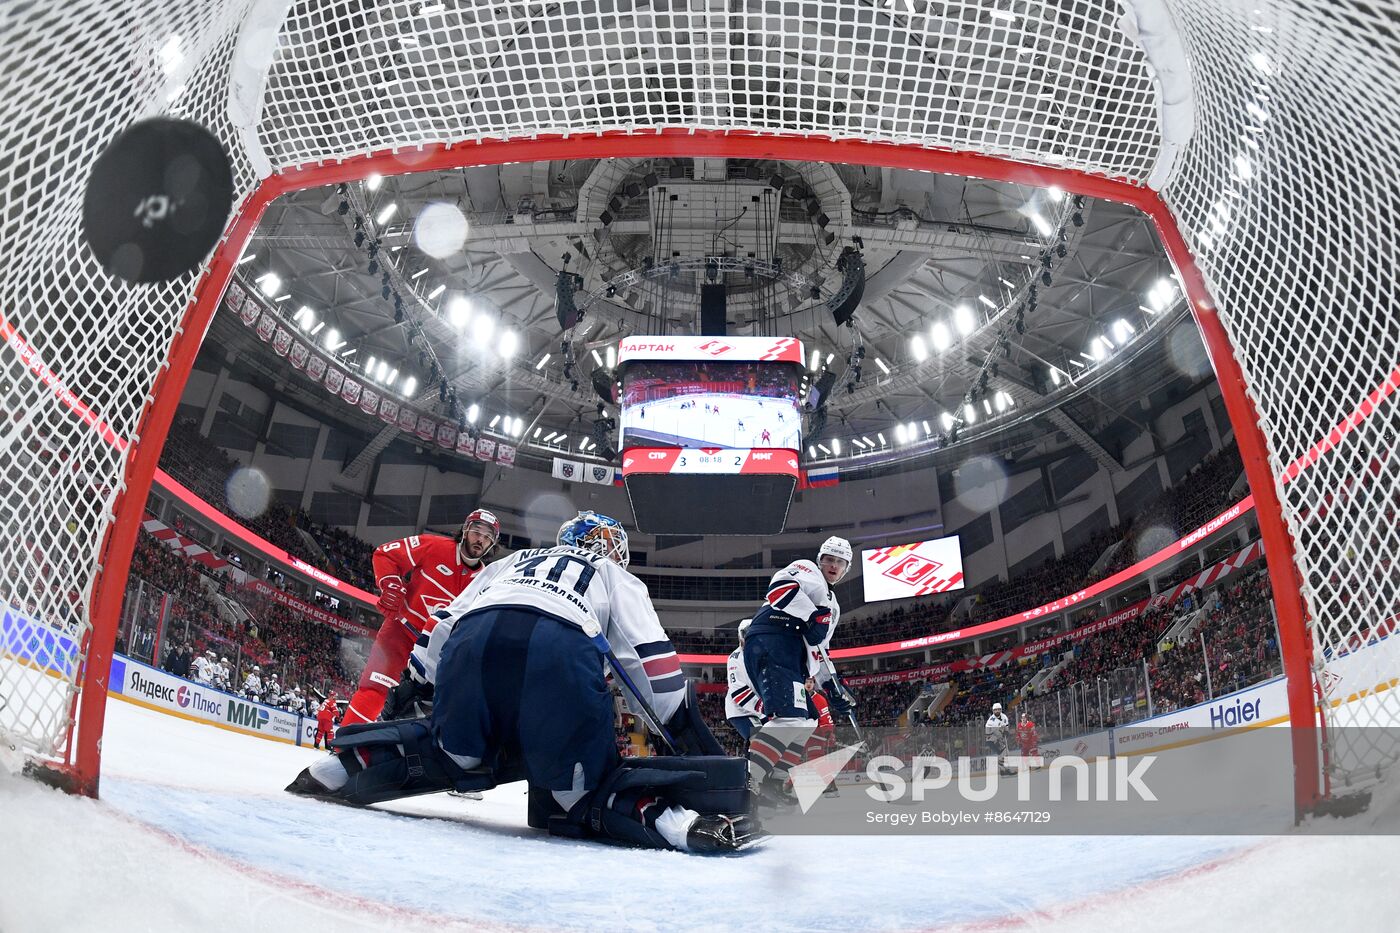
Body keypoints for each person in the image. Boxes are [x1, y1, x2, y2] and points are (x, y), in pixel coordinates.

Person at [287, 510, 759, 853]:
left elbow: (445, 621)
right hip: (560, 649)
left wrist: (417, 680)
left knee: (458, 753)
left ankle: (345, 765)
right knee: (580, 789)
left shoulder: (509, 562)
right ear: (604, 547)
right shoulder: (613, 575)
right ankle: (684, 827)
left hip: (475, 642)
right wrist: (680, 726)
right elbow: (652, 663)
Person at [340, 509, 500, 726]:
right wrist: (390, 583)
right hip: (401, 633)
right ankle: (342, 750)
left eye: (487, 536)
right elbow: (385, 554)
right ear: (465, 530)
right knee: (374, 690)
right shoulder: (434, 546)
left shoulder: (487, 580)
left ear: (492, 544)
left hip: (435, 655)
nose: (480, 539)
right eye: (476, 531)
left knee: (420, 713)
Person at [741, 536, 852, 805]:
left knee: (807, 722)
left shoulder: (833, 605)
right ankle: (746, 781)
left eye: (840, 562)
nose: (833, 566)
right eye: (829, 559)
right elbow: (779, 589)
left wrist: (834, 687)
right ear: (819, 560)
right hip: (773, 641)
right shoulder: (807, 569)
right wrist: (812, 614)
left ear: (847, 568)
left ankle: (774, 784)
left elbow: (820, 651)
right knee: (788, 719)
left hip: (793, 657)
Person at [724, 619, 763, 744]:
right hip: (740, 710)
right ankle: (750, 762)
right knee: (760, 740)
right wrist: (761, 706)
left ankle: (750, 761)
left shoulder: (761, 654)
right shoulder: (735, 658)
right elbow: (737, 689)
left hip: (759, 709)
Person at [985, 701, 1010, 770]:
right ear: (993, 711)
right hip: (992, 739)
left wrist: (1006, 731)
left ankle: (1004, 768)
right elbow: (990, 734)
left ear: (1001, 710)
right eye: (995, 710)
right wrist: (1001, 733)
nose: (997, 711)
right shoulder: (991, 721)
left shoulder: (1004, 717)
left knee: (1005, 752)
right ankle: (1003, 768)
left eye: (998, 709)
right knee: (1004, 751)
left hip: (998, 738)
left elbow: (1006, 726)